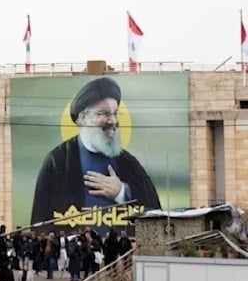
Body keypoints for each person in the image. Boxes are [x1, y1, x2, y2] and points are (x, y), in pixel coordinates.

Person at [30, 77, 161, 230]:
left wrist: (122, 191)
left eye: (115, 113)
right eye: (103, 113)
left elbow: (155, 210)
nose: (112, 120)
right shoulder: (58, 161)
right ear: (83, 117)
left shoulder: (128, 162)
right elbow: (39, 221)